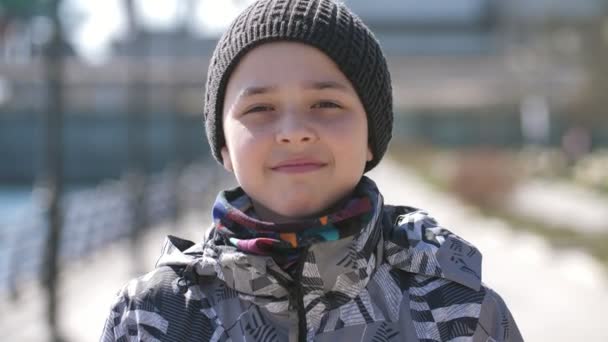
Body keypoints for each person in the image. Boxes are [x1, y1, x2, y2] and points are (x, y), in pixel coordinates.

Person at [100, 0, 523, 341]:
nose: (294, 132)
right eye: (260, 108)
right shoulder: (152, 315)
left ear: (371, 136)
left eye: (326, 104)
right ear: (224, 146)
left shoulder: (459, 312)